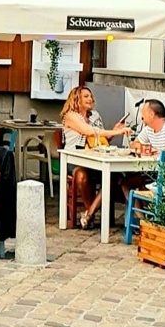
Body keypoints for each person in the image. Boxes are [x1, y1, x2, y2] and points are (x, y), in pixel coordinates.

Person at [60, 86, 131, 229]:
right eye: (86, 96)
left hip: (97, 158)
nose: (90, 99)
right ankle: (90, 213)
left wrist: (113, 131)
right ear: (76, 98)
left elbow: (101, 140)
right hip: (75, 159)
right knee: (81, 175)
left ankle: (89, 215)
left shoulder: (95, 115)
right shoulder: (70, 115)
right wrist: (117, 132)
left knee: (112, 177)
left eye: (91, 96)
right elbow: (89, 131)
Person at [119, 99, 165, 199]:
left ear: (152, 115)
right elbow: (134, 144)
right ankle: (142, 210)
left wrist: (158, 153)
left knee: (133, 182)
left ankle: (149, 208)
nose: (141, 117)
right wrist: (147, 148)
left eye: (143, 114)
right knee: (126, 183)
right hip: (153, 170)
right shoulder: (149, 129)